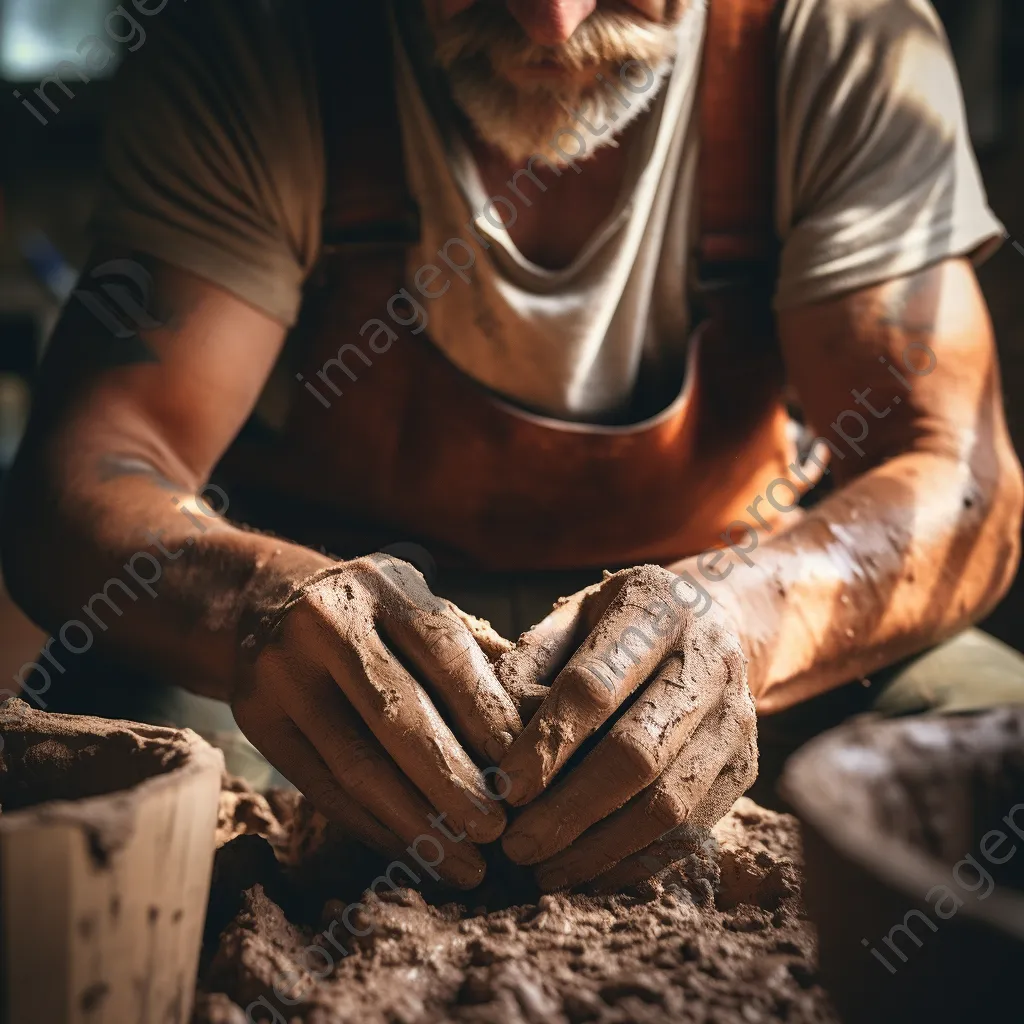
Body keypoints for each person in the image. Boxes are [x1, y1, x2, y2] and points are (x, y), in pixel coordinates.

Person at [3, 0, 1023, 891]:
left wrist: (733, 624)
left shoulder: (837, 35)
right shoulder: (262, 38)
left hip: (732, 601)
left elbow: (958, 478)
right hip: (334, 638)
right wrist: (261, 610)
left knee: (991, 748)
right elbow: (79, 480)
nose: (551, 23)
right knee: (115, 769)